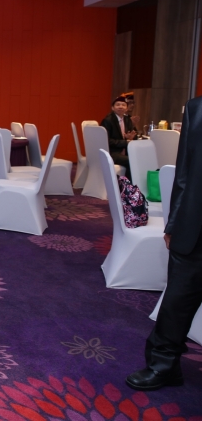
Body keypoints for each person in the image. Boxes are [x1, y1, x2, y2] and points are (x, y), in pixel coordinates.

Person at [126, 96, 202, 391]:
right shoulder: (197, 108)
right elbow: (184, 172)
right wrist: (173, 223)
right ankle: (163, 365)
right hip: (194, 225)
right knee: (176, 301)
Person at [101, 95, 136, 178]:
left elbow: (133, 134)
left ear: (126, 108)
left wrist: (130, 137)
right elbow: (106, 141)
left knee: (141, 157)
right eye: (118, 105)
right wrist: (125, 142)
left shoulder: (127, 120)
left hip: (126, 151)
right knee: (131, 160)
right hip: (112, 152)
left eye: (123, 105)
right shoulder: (108, 120)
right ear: (112, 108)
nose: (120, 107)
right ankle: (127, 184)